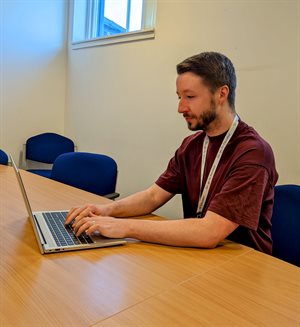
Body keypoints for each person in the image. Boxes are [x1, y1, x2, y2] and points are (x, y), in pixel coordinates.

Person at [65, 51, 278, 254]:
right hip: (201, 255)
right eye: (179, 97)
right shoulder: (192, 145)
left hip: (243, 264)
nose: (180, 107)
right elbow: (153, 195)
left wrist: (125, 227)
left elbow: (210, 231)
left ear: (222, 94)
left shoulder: (253, 153)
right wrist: (104, 211)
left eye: (190, 97)